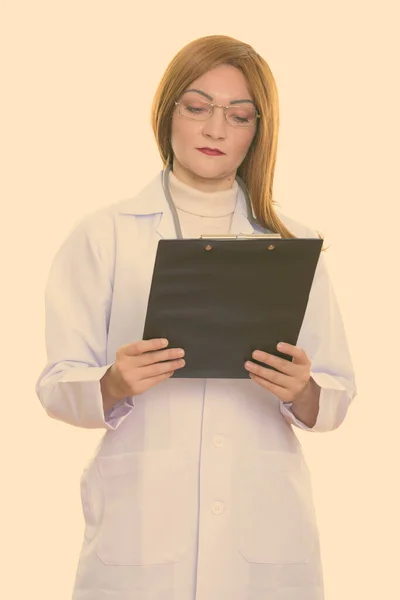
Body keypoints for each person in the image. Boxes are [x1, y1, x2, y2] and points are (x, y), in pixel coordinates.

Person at [36, 34, 356, 600]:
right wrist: (111, 383)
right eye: (198, 107)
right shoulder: (105, 234)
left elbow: (337, 393)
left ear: (258, 131)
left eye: (239, 115)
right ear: (168, 113)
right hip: (141, 539)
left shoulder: (292, 243)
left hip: (264, 538)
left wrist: (302, 390)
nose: (215, 130)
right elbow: (57, 382)